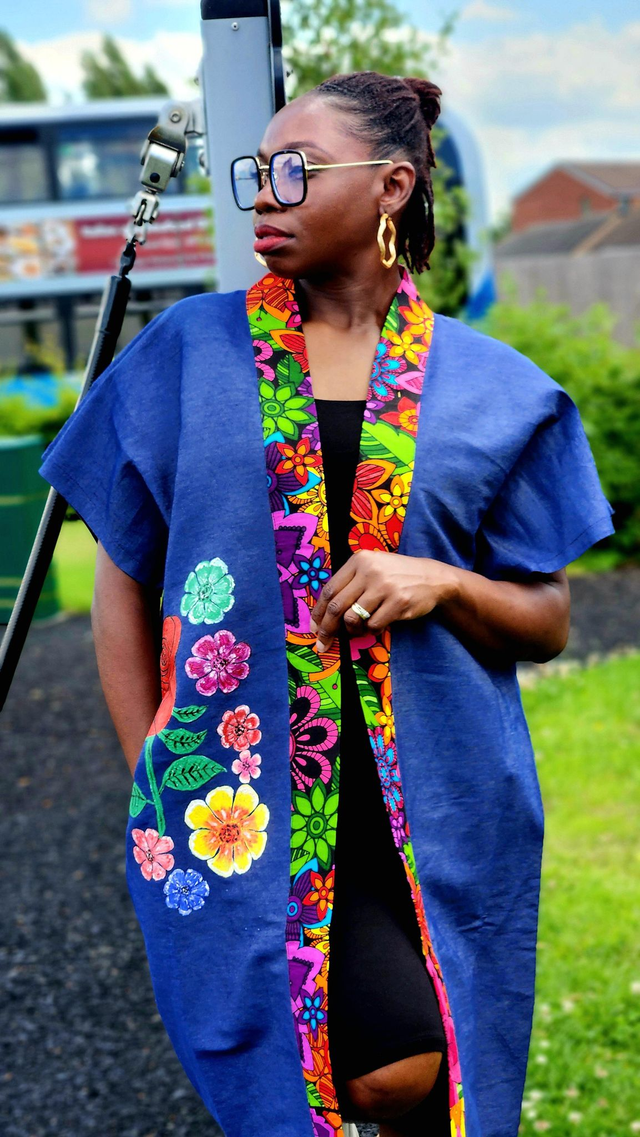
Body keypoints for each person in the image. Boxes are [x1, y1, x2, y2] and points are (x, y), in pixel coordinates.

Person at [38, 71, 615, 1137]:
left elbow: (547, 620)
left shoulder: (497, 392)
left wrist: (437, 581)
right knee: (323, 1076)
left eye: (295, 171)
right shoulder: (184, 357)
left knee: (424, 1076)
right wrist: (148, 773)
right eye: (256, 172)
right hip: (238, 804)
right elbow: (122, 573)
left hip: (442, 801)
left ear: (391, 185)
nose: (264, 194)